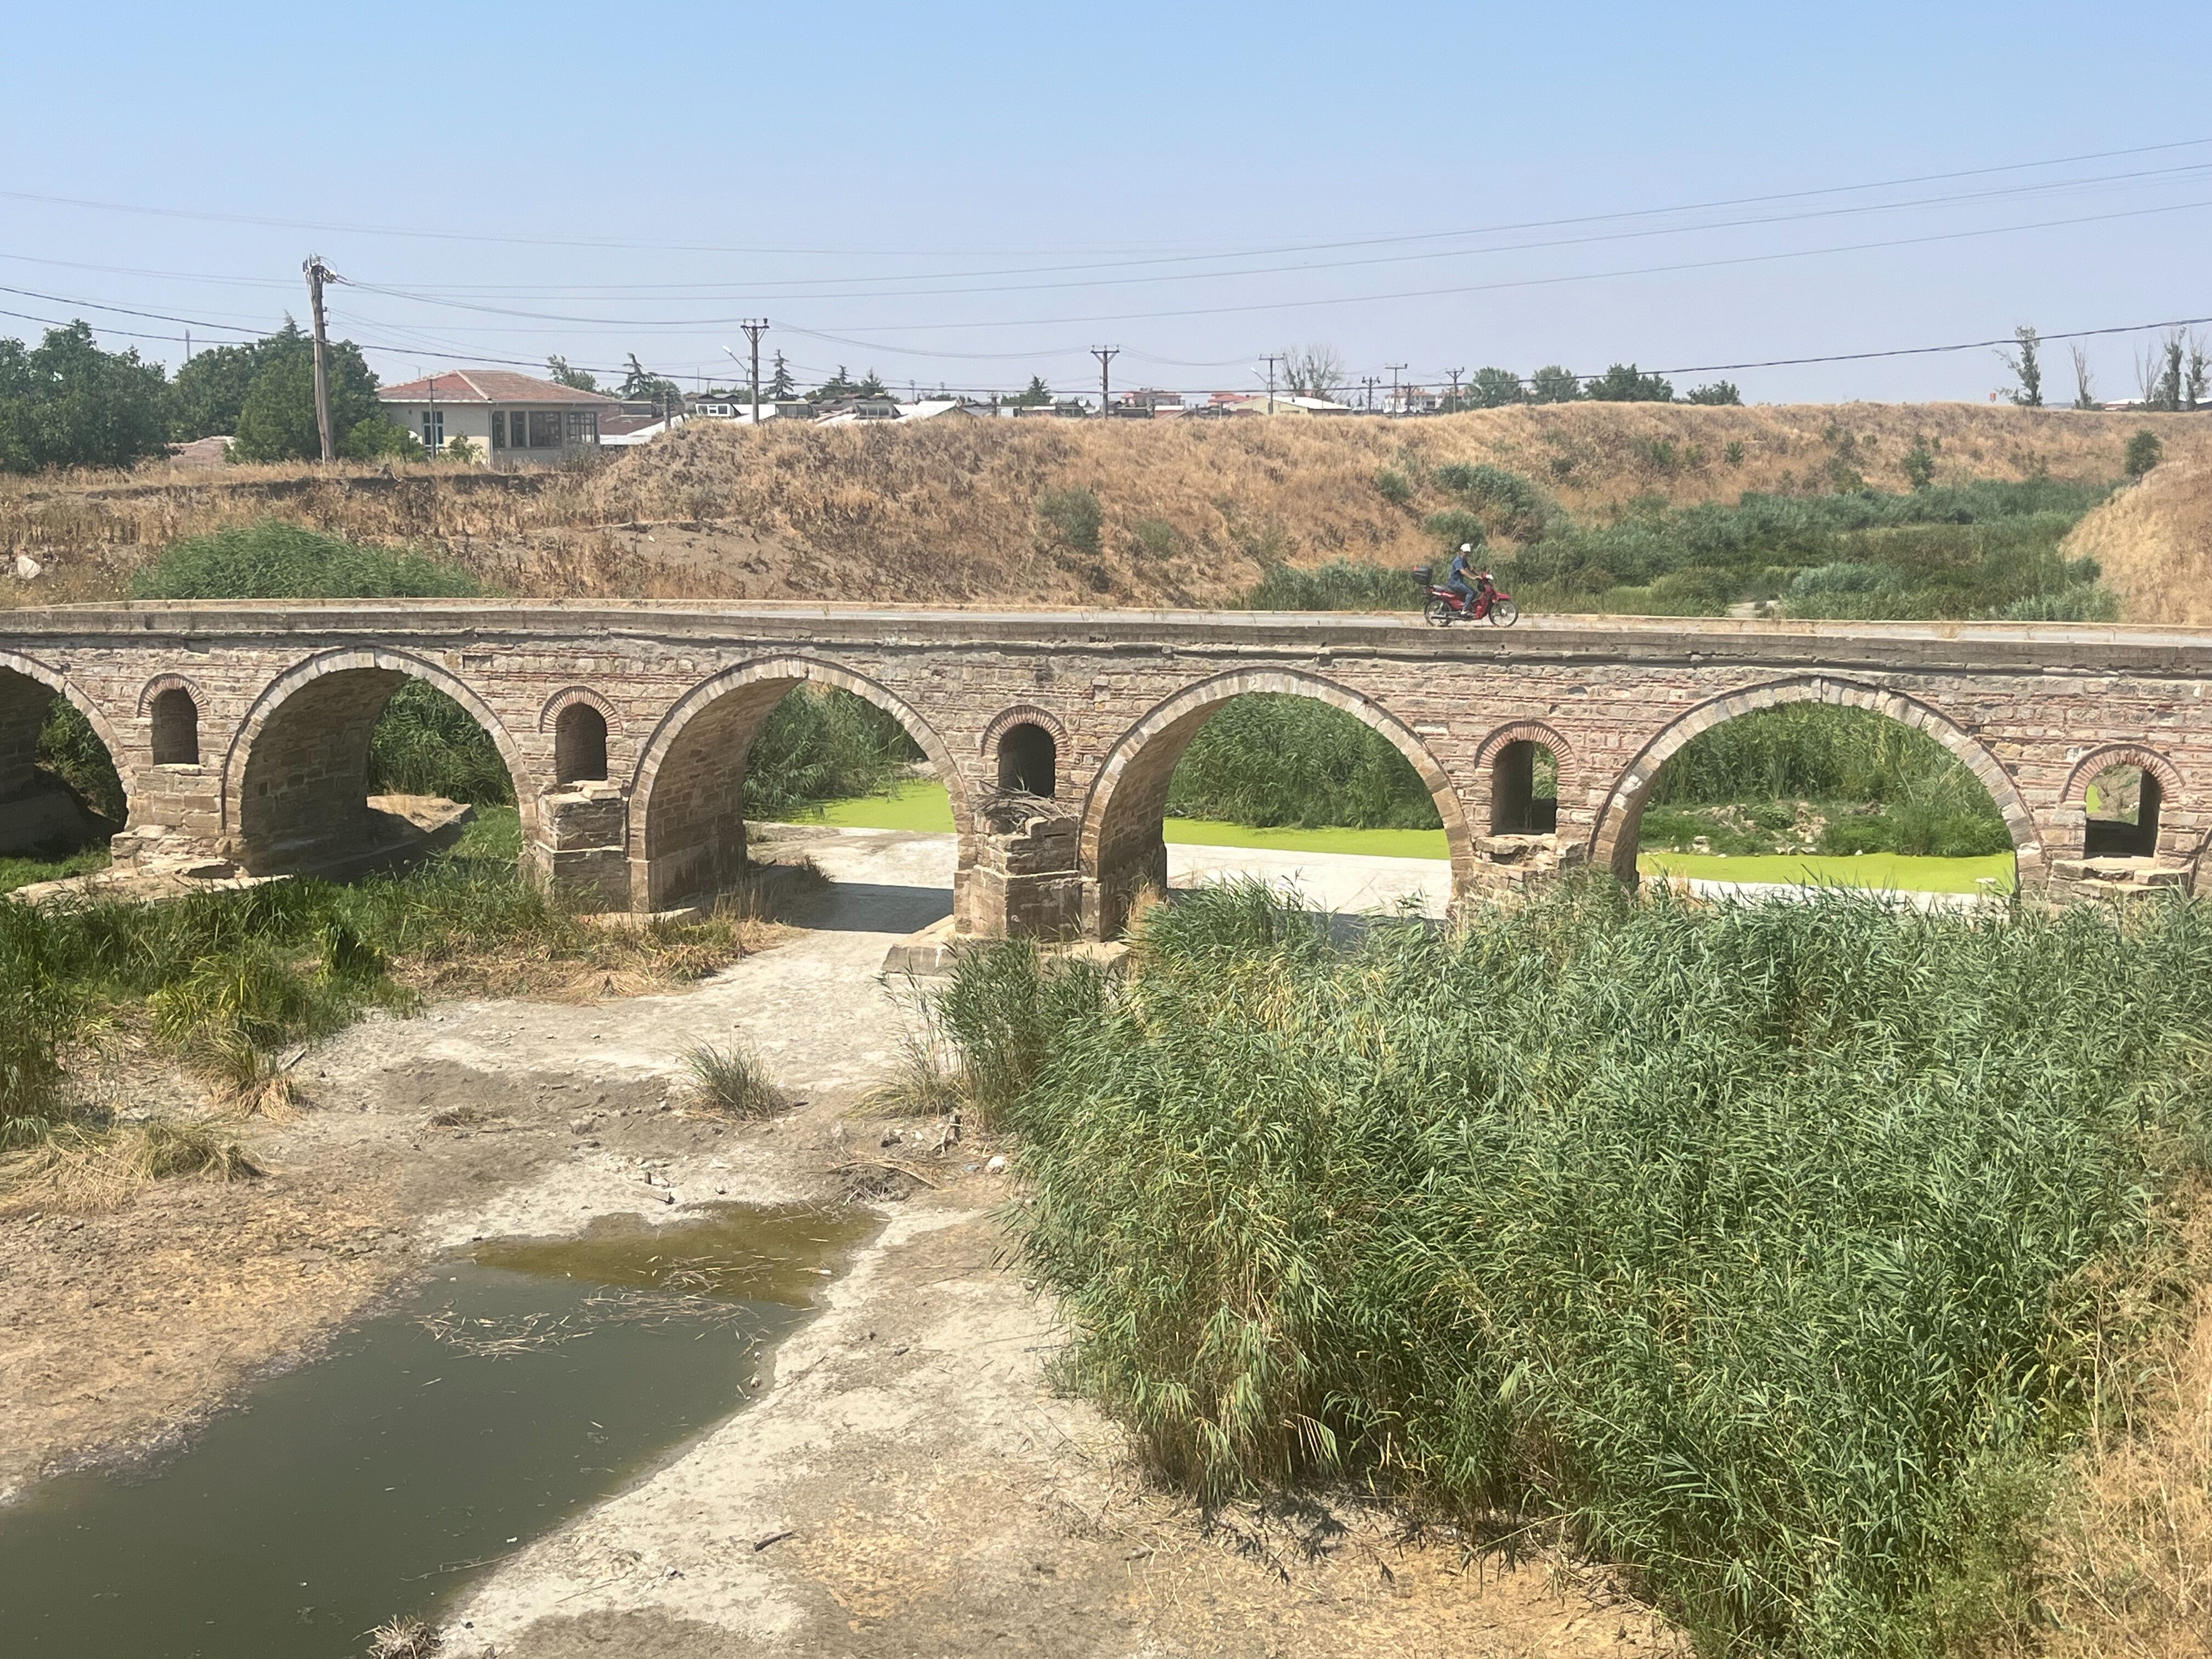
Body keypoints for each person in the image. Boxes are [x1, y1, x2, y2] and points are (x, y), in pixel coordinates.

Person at [1447, 543, 1493, 614]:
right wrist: (1473, 577)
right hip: (1455, 583)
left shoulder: (1464, 560)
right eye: (1465, 552)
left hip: (1460, 582)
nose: (1466, 554)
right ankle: (1464, 610)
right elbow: (1463, 572)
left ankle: (1467, 606)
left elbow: (1470, 569)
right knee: (1471, 593)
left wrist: (1479, 575)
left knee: (1475, 593)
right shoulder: (1458, 561)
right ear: (1461, 552)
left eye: (1468, 553)